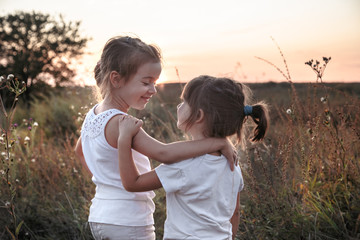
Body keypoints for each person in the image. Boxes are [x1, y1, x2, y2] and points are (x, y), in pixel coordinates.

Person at [74, 36, 237, 240]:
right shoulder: (122, 123)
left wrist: (107, 180)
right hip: (129, 220)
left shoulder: (94, 114)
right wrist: (217, 142)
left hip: (100, 216)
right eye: (146, 82)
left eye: (155, 83)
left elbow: (80, 151)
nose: (153, 90)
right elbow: (164, 153)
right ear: (116, 79)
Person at [117, 75, 270, 239]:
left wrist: (123, 138)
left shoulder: (184, 165)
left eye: (184, 102)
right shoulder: (233, 164)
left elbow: (133, 183)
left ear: (198, 116)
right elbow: (235, 213)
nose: (178, 105)